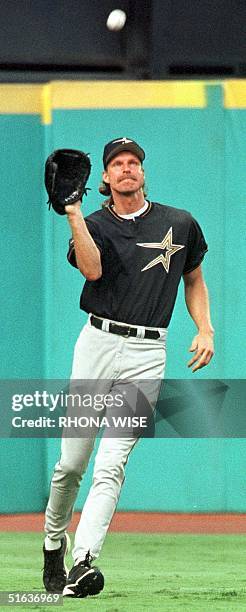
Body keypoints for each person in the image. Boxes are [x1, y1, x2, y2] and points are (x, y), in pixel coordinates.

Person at [42, 137, 214, 598]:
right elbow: (93, 271)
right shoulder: (92, 223)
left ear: (142, 171)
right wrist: (74, 214)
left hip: (147, 354)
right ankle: (53, 541)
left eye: (133, 162)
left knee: (112, 462)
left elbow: (193, 277)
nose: (126, 168)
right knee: (71, 463)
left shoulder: (180, 223)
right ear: (104, 177)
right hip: (97, 343)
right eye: (116, 163)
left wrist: (206, 328)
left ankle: (83, 561)